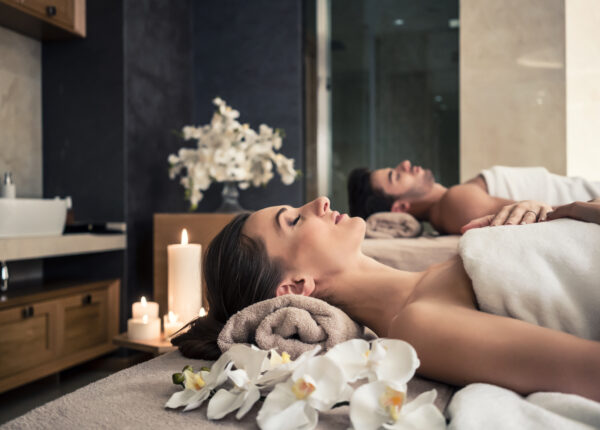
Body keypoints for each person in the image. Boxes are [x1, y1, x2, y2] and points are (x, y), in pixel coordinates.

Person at [173, 196, 600, 402]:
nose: (320, 200)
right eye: (296, 219)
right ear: (295, 286)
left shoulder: (440, 274)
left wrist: (572, 212)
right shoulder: (420, 325)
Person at [347, 161, 600, 234]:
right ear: (401, 206)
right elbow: (550, 214)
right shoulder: (456, 204)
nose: (405, 164)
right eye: (396, 176)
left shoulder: (457, 197)